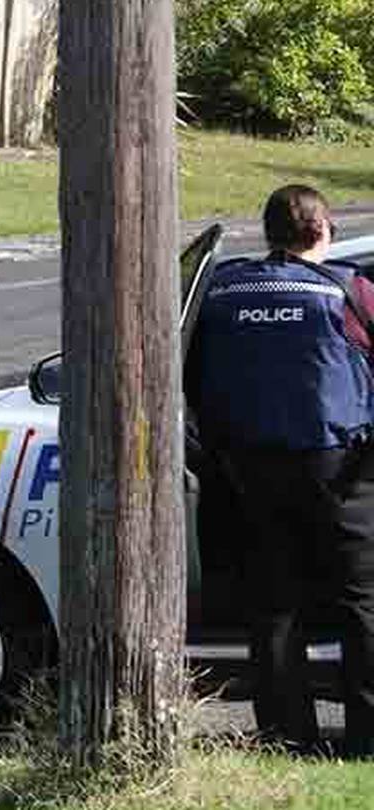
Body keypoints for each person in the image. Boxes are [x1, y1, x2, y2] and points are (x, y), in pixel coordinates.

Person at [188, 184, 374, 755]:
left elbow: (190, 377)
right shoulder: (348, 290)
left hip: (248, 470)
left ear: (268, 232)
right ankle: (366, 738)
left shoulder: (222, 291)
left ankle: (286, 737)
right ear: (322, 231)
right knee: (361, 602)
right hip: (340, 470)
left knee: (274, 607)